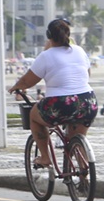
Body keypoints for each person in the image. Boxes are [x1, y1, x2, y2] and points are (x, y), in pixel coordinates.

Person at [7, 18, 98, 168]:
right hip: (87, 102)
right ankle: (84, 173)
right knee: (77, 138)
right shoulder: (80, 50)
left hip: (60, 104)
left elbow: (27, 82)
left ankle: (45, 157)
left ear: (49, 36)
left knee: (34, 118)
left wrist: (16, 87)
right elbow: (87, 74)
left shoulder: (46, 56)